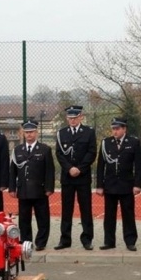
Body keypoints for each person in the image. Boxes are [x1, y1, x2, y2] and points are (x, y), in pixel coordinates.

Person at [96, 117, 141, 251]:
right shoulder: (106, 143)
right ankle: (109, 241)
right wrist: (99, 185)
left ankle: (130, 241)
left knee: (128, 215)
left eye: (117, 129)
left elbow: (139, 165)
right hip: (110, 185)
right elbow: (100, 166)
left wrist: (137, 184)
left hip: (126, 185)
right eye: (113, 129)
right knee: (109, 215)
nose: (115, 131)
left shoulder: (133, 142)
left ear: (124, 129)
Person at [54, 105, 96, 251]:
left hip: (83, 177)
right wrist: (69, 168)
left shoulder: (89, 132)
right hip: (67, 177)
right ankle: (65, 239)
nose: (72, 120)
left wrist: (79, 168)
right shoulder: (61, 133)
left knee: (86, 209)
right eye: (70, 118)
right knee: (66, 210)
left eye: (75, 117)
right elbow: (59, 153)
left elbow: (92, 152)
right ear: (67, 118)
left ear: (81, 117)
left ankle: (87, 239)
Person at [9, 120, 55, 251]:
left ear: (37, 132)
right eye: (27, 132)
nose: (29, 135)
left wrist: (49, 188)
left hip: (40, 190)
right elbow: (12, 171)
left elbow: (49, 171)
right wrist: (12, 188)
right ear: (23, 133)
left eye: (32, 132)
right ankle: (26, 241)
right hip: (23, 190)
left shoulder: (45, 149)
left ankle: (41, 242)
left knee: (43, 218)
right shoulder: (17, 150)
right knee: (24, 218)